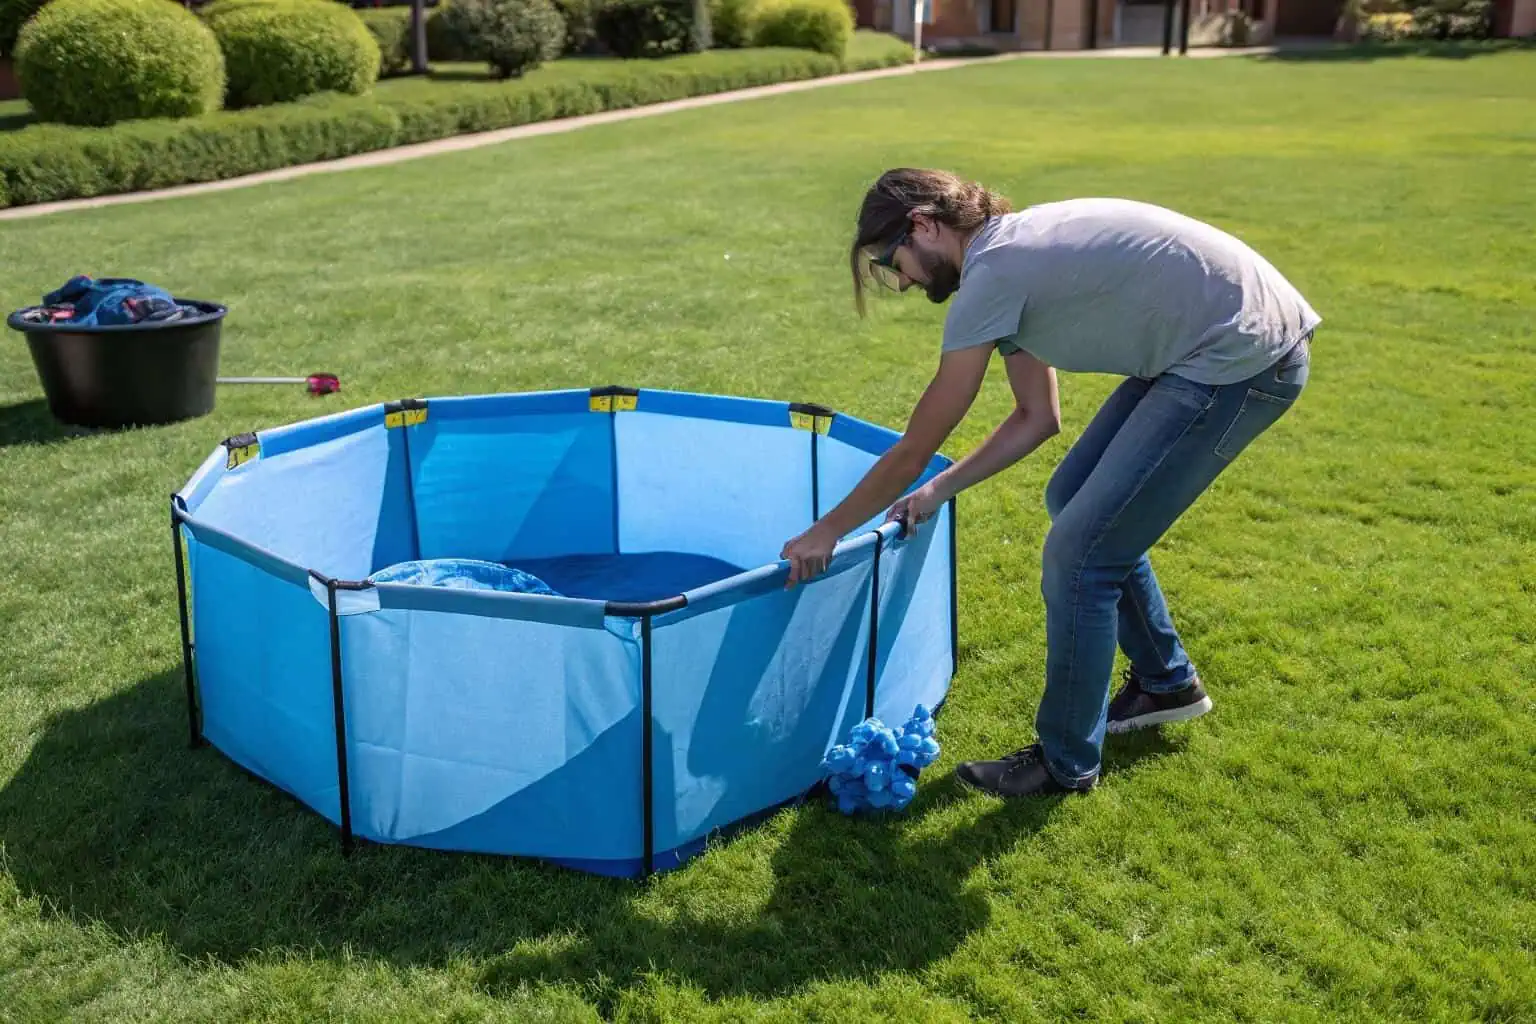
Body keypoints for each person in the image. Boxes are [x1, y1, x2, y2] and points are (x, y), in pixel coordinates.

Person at [777, 168, 1319, 798]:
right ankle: (1166, 684)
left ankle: (1065, 765)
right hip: (1210, 346)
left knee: (1081, 556)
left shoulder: (995, 273)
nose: (901, 281)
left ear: (923, 225)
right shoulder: (1003, 257)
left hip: (1241, 359)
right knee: (1071, 501)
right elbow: (1037, 417)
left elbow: (916, 445)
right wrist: (936, 490)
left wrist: (827, 531)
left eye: (892, 261)